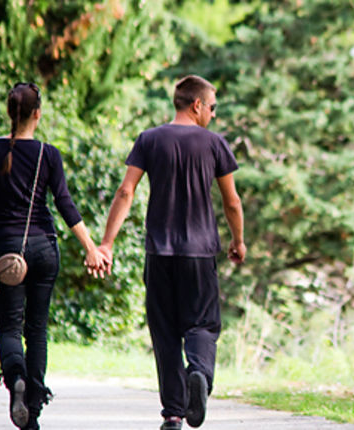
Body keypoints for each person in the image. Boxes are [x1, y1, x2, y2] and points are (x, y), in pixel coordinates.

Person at [96, 74, 246, 430]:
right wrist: (238, 241)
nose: (213, 114)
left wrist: (106, 243)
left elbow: (125, 193)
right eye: (212, 107)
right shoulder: (214, 144)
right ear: (197, 105)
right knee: (203, 325)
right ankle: (199, 373)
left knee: (165, 332)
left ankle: (174, 414)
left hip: (159, 252)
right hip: (199, 253)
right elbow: (232, 202)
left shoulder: (149, 139)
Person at [0, 82, 109, 429]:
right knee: (37, 330)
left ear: (9, 113)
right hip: (45, 247)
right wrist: (91, 247)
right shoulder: (49, 153)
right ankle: (32, 408)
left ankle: (15, 377)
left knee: (10, 327)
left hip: (8, 250)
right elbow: (65, 204)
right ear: (38, 113)